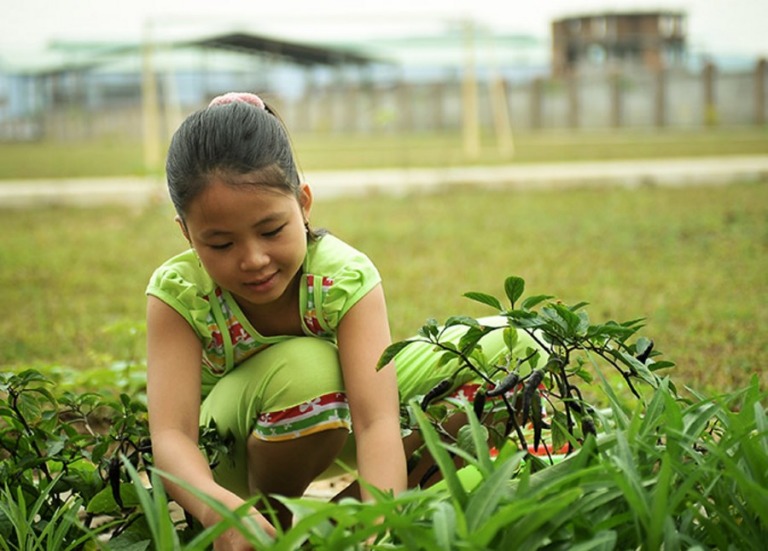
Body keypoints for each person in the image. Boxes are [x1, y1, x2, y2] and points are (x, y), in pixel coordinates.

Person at [145, 92, 542, 549]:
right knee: (309, 366)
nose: (253, 259)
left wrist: (379, 530)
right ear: (186, 233)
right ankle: (267, 526)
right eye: (219, 244)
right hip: (226, 472)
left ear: (304, 203)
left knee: (518, 347)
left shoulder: (343, 277)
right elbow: (172, 435)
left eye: (272, 230)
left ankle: (340, 531)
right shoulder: (180, 292)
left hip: (345, 428)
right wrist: (221, 511)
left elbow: (376, 423)